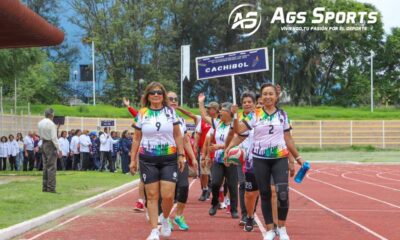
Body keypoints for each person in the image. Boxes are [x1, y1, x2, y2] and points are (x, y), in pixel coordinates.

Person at [229, 83, 305, 240]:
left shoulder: (282, 115)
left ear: (276, 97)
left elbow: (288, 138)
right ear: (261, 97)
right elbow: (239, 131)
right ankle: (270, 230)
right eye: (265, 94)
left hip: (279, 158)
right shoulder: (255, 115)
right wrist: (235, 115)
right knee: (264, 194)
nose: (268, 97)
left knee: (282, 193)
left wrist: (297, 158)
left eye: (271, 94)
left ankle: (282, 228)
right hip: (259, 159)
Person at [130, 82, 185, 240]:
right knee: (152, 195)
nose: (156, 95)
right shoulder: (142, 113)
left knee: (168, 195)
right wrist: (132, 160)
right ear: (147, 95)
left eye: (159, 92)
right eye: (152, 92)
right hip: (147, 159)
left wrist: (181, 155)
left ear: (163, 95)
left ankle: (166, 219)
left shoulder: (170, 112)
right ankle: (154, 230)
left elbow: (177, 135)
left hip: (169, 158)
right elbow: (136, 138)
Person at [198, 93, 238, 219]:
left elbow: (235, 141)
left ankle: (234, 209)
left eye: (223, 110)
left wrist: (219, 147)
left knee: (232, 185)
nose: (220, 112)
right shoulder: (217, 123)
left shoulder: (235, 125)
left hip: (231, 159)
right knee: (215, 183)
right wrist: (201, 102)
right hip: (218, 159)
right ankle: (215, 203)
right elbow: (204, 117)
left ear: (230, 113)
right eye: (220, 110)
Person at [167, 91, 199, 230]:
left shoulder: (181, 120)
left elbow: (185, 140)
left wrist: (192, 158)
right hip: (165, 157)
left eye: (176, 99)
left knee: (184, 186)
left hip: (180, 157)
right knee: (168, 191)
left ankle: (178, 216)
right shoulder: (159, 117)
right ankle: (166, 217)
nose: (174, 101)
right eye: (170, 99)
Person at [123, 97, 145, 212]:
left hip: (162, 152)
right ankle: (141, 201)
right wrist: (128, 106)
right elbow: (136, 114)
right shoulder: (143, 116)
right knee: (143, 178)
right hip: (144, 152)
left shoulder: (167, 115)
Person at [38, 108, 62, 193]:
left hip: (43, 143)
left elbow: (40, 135)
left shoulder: (40, 123)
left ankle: (44, 187)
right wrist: (59, 149)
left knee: (45, 166)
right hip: (50, 144)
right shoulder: (51, 124)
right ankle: (51, 188)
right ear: (51, 114)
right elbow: (54, 138)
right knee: (51, 167)